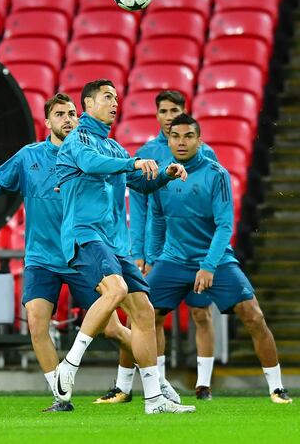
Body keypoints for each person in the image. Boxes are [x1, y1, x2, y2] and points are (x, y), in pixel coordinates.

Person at [0, 93, 135, 413]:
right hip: (41, 258)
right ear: (47, 122)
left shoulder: (86, 153)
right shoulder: (28, 157)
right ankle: (61, 396)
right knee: (37, 323)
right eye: (61, 114)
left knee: (112, 329)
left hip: (78, 252)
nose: (68, 119)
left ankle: (145, 370)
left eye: (72, 114)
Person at [54, 79, 196, 415]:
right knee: (115, 290)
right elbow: (91, 164)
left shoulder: (115, 147)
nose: (115, 103)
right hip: (85, 235)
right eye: (107, 97)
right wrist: (133, 163)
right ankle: (69, 366)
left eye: (116, 98)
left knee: (144, 312)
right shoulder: (77, 140)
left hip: (115, 243)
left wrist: (165, 175)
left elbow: (139, 183)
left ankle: (154, 399)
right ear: (88, 104)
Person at [146, 113, 292, 404]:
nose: (182, 142)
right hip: (173, 259)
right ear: (168, 140)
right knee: (145, 314)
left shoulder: (216, 174)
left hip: (216, 260)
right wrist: (152, 258)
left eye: (189, 136)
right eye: (176, 137)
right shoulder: (164, 175)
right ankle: (148, 386)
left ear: (200, 140)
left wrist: (208, 265)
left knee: (254, 315)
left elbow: (225, 225)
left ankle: (276, 388)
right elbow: (158, 220)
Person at [96, 90, 217, 404]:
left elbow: (210, 205)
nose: (167, 116)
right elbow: (139, 209)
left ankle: (203, 386)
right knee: (147, 316)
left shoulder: (206, 155)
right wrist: (139, 253)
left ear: (184, 112)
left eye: (173, 110)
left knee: (201, 313)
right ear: (156, 115)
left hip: (192, 249)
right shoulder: (147, 153)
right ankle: (144, 384)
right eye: (162, 111)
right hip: (157, 251)